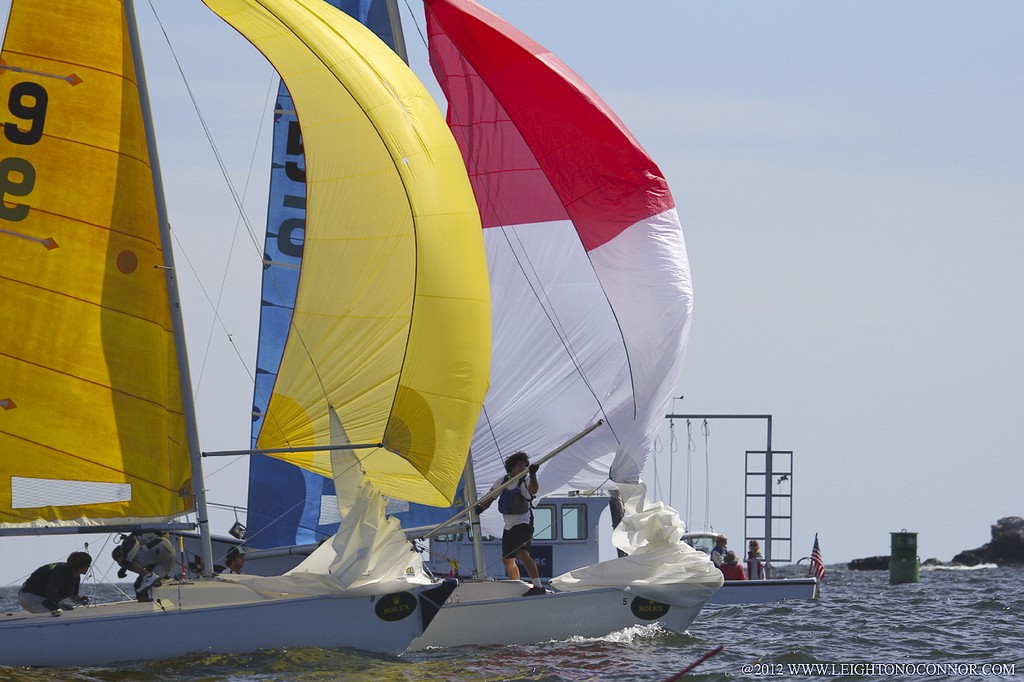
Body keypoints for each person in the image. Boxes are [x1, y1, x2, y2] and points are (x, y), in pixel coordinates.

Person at [475, 451, 545, 596]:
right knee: (507, 561)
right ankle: (515, 585)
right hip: (509, 526)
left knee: (522, 553)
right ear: (512, 467)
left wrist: (532, 474)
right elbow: (490, 498)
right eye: (520, 464)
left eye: (525, 464)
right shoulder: (503, 481)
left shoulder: (525, 480)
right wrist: (481, 508)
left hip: (524, 523)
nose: (523, 466)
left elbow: (533, 489)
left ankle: (538, 586)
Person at [18, 551, 92, 614]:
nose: (89, 567)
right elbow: (50, 590)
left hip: (43, 598)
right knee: (55, 614)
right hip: (30, 596)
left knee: (60, 611)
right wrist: (62, 604)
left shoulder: (76, 576)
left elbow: (73, 596)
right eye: (87, 565)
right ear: (79, 566)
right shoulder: (61, 572)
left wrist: (80, 600)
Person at [112, 530, 176, 601]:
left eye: (117, 560)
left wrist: (124, 564)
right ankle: (146, 603)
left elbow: (134, 544)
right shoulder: (129, 549)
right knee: (139, 585)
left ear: (119, 555)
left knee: (125, 561)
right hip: (168, 558)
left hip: (161, 545)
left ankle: (148, 576)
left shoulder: (126, 543)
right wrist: (124, 568)